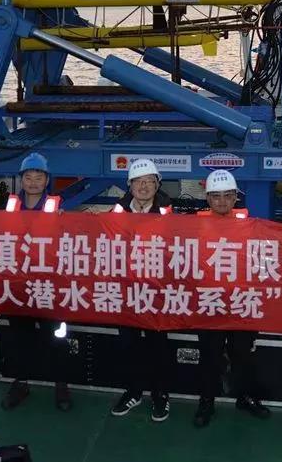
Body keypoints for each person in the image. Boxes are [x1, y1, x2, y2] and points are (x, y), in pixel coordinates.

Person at [192, 170, 271, 427]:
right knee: (210, 356)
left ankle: (245, 397)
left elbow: (262, 259)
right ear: (207, 198)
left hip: (240, 301)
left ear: (236, 197)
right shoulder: (193, 227)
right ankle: (207, 401)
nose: (222, 201)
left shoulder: (250, 225)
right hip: (210, 301)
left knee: (243, 355)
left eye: (228, 196)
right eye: (216, 196)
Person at [1, 152, 73, 412]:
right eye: (28, 177)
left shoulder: (57, 208)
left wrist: (64, 223)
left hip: (48, 285)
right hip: (19, 284)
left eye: (38, 177)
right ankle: (21, 382)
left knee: (56, 335)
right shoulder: (10, 207)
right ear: (21, 180)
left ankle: (61, 383)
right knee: (19, 337)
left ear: (46, 180)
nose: (33, 182)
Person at [109, 158, 175, 422]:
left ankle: (160, 394)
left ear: (157, 185)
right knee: (129, 344)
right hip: (126, 290)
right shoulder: (117, 213)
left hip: (156, 292)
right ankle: (134, 391)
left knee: (158, 345)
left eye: (149, 182)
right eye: (138, 182)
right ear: (130, 185)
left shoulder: (168, 214)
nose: (144, 187)